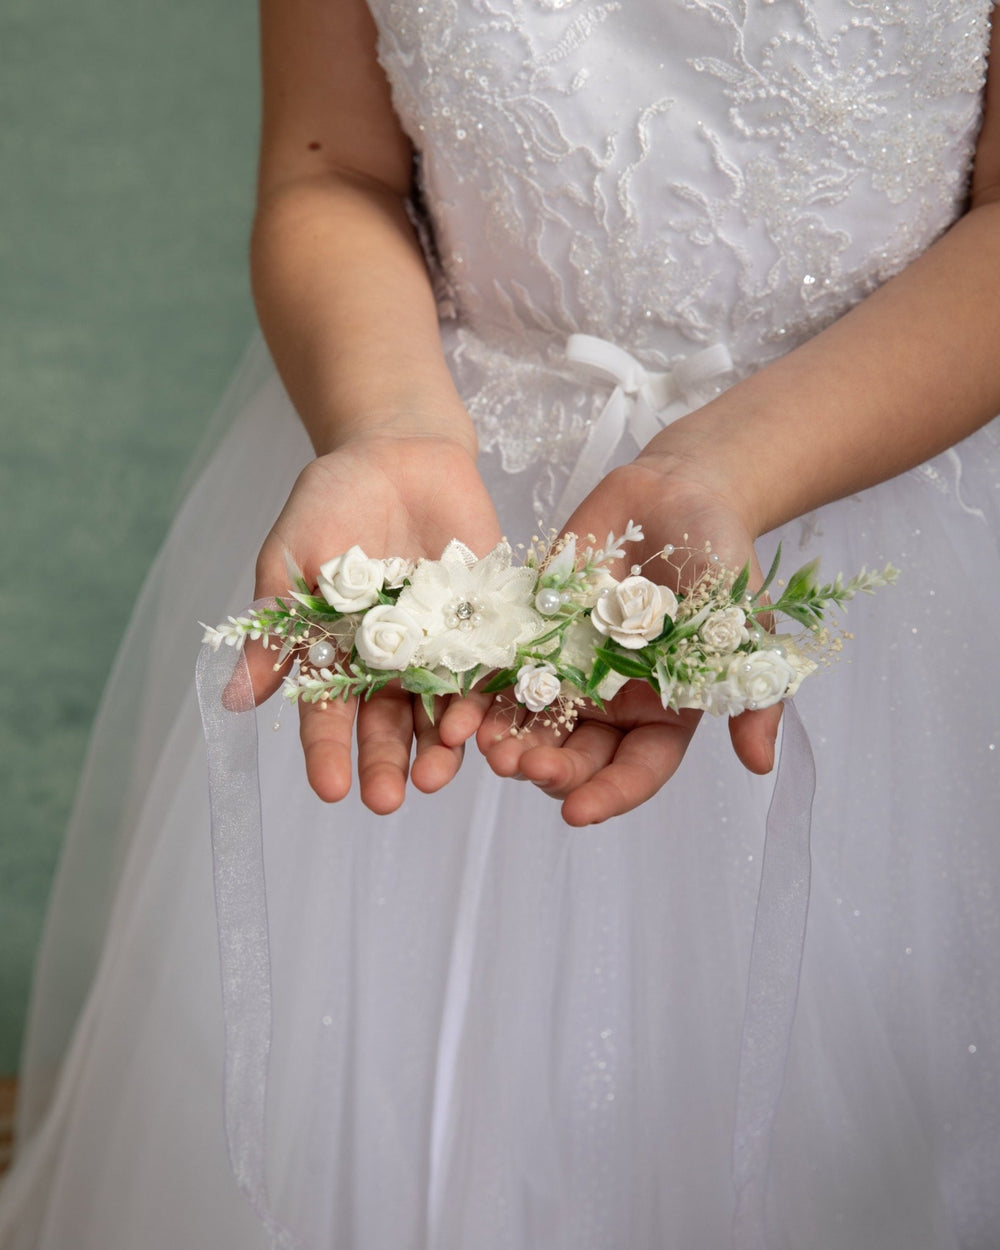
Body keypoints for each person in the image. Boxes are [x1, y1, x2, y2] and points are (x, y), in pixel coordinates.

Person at [2, 1, 998, 1247]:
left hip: (873, 500)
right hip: (450, 506)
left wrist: (730, 468)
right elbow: (333, 167)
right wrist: (389, 427)